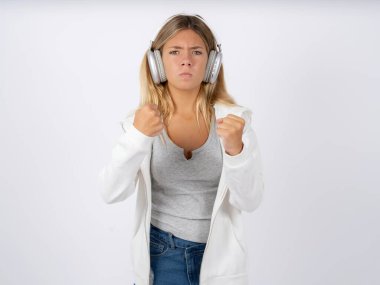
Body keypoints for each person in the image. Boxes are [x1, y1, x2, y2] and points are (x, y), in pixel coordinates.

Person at [99, 13, 265, 285]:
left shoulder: (236, 122)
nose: (186, 60)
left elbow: (250, 201)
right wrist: (138, 137)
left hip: (220, 258)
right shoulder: (139, 123)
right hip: (162, 255)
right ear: (157, 63)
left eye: (196, 52)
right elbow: (110, 191)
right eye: (174, 51)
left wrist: (237, 152)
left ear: (211, 64)